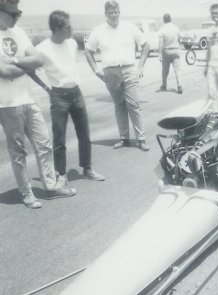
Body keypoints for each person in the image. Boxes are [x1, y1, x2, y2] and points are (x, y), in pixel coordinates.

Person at [0, 0, 75, 209]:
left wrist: (13, 61)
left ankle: (51, 187)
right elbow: (4, 73)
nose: (17, 17)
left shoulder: (20, 33)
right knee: (18, 152)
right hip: (6, 103)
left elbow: (38, 60)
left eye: (19, 13)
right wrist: (25, 63)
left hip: (28, 98)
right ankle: (26, 193)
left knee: (44, 144)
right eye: (13, 14)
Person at [36, 10, 105, 188]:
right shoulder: (42, 49)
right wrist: (45, 87)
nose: (72, 29)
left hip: (76, 92)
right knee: (59, 138)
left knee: (85, 134)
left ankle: (87, 168)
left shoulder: (73, 43)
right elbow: (30, 69)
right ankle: (61, 174)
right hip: (58, 96)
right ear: (57, 28)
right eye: (68, 26)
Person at [85, 0, 150, 151]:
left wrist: (140, 66)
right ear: (105, 14)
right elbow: (88, 51)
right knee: (119, 105)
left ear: (119, 12)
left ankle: (141, 139)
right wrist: (96, 70)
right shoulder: (98, 30)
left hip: (129, 70)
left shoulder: (130, 27)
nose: (113, 15)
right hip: (110, 72)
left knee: (134, 105)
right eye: (110, 12)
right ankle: (124, 138)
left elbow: (145, 45)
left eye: (116, 12)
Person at [158, 13, 182, 94]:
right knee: (177, 70)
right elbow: (180, 38)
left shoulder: (162, 29)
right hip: (175, 50)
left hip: (166, 51)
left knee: (165, 70)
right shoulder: (176, 28)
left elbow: (161, 42)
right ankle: (179, 85)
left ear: (164, 20)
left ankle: (164, 85)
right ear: (170, 19)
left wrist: (159, 53)